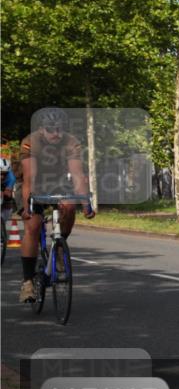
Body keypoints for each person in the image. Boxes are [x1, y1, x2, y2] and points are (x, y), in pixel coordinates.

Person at [17, 107, 95, 303]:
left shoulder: (71, 142)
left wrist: (85, 203)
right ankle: (27, 282)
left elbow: (77, 175)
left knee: (69, 205)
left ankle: (60, 247)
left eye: (60, 129)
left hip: (57, 181)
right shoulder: (30, 142)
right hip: (31, 183)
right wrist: (27, 207)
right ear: (42, 129)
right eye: (51, 129)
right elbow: (30, 179)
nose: (56, 134)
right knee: (33, 226)